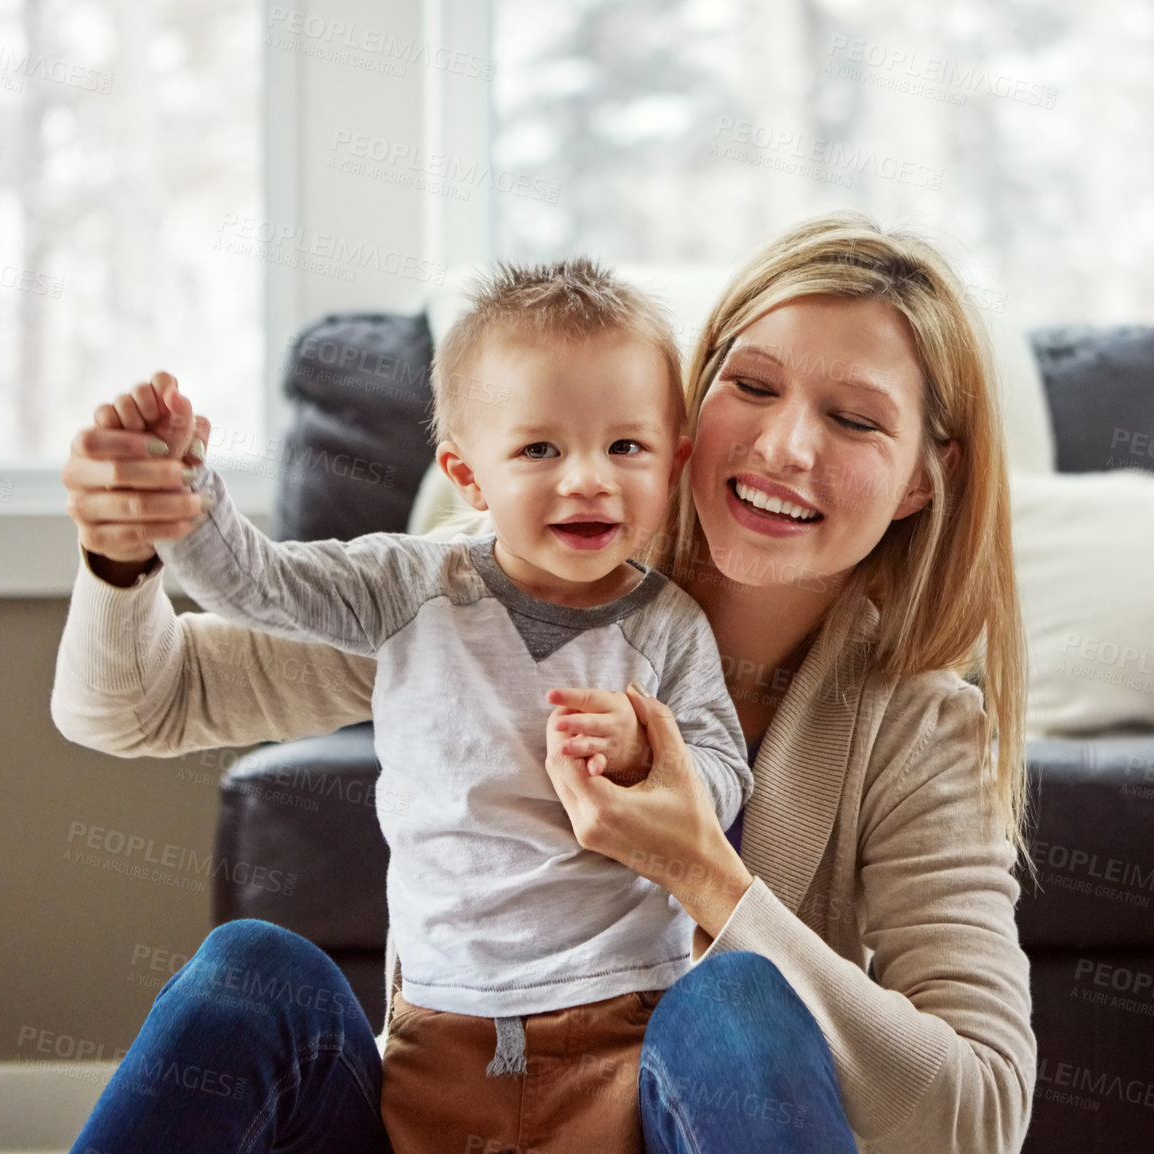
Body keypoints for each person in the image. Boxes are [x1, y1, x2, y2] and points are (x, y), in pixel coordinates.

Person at [52, 212, 1037, 1153]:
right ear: (693, 406)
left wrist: (709, 874)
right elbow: (140, 704)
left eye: (856, 418)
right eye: (754, 385)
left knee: (737, 995)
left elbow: (979, 1114)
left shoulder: (923, 724)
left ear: (921, 477)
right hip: (437, 1107)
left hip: (651, 1113)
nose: (785, 446)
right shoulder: (488, 590)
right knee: (246, 970)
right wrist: (120, 551)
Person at [99, 260, 754, 1154]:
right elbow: (257, 586)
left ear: (675, 464)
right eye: (540, 450)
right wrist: (185, 493)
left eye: (626, 448)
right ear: (468, 476)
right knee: (249, 961)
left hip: (625, 1031)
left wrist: (652, 754)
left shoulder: (669, 624)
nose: (589, 480)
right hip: (439, 1038)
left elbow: (723, 780)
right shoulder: (411, 584)